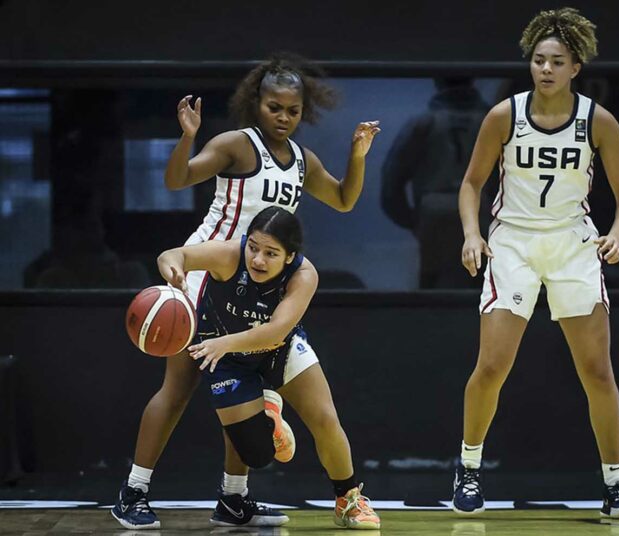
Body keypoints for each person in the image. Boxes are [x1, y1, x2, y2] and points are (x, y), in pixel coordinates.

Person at [112, 54, 380, 530]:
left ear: (303, 111)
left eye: (292, 110)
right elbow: (177, 179)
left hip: (262, 284)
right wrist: (188, 136)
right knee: (177, 388)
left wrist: (357, 158)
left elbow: (343, 200)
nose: (282, 117)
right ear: (257, 103)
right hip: (208, 272)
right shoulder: (236, 145)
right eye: (274, 107)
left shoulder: (303, 160)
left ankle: (233, 499)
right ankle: (133, 491)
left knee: (246, 386)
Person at [451, 8, 619, 519]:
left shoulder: (597, 120)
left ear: (576, 66)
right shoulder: (504, 115)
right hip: (512, 242)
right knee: (492, 366)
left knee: (597, 370)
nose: (546, 69)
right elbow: (472, 184)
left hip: (573, 245)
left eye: (557, 61)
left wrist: (617, 236)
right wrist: (472, 234)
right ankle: (469, 470)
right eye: (539, 60)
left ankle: (617, 485)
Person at [169, 206, 380, 529]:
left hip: (275, 348)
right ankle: (269, 419)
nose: (257, 260)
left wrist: (223, 343)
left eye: (271, 253)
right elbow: (172, 255)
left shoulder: (304, 275)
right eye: (253, 247)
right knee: (259, 455)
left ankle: (349, 499)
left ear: (289, 256)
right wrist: (175, 271)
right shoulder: (228, 254)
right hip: (228, 359)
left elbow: (276, 331)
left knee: (325, 418)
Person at [380, 77, 491, 288]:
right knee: (482, 291)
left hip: (433, 211)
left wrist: (412, 220)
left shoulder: (423, 123)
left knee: (432, 292)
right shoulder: (492, 121)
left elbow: (391, 180)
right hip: (482, 211)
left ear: (437, 83)